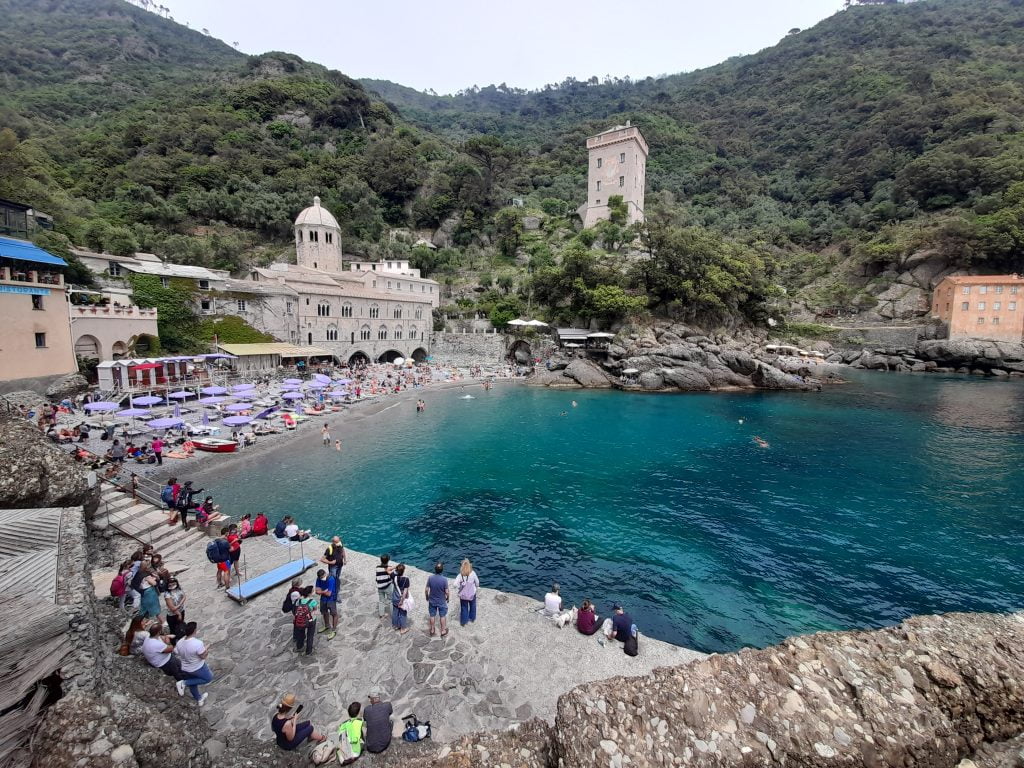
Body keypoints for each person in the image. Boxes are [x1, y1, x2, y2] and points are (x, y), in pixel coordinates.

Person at [175, 622, 213, 706]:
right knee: (208, 678)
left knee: (193, 683)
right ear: (194, 631)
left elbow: (178, 651)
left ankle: (199, 699)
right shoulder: (197, 643)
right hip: (197, 667)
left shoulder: (179, 642)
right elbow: (203, 656)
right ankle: (183, 683)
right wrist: (207, 649)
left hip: (185, 667)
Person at [363, 688, 393, 755]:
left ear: (373, 699)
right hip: (386, 743)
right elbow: (390, 712)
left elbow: (365, 719)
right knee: (390, 721)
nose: (369, 700)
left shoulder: (367, 709)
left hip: (371, 746)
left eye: (370, 698)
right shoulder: (387, 705)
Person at [424, 562, 449, 638]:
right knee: (442, 616)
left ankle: (432, 630)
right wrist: (448, 598)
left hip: (432, 600)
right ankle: (443, 631)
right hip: (441, 601)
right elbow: (447, 591)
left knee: (432, 615)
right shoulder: (444, 579)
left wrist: (427, 597)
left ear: (435, 570)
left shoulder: (430, 578)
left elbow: (426, 589)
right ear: (442, 570)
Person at [453, 559, 480, 626]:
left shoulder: (460, 575)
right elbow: (477, 583)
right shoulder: (473, 573)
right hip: (472, 594)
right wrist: (476, 587)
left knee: (464, 607)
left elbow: (454, 584)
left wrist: (460, 587)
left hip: (463, 595)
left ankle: (463, 622)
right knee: (473, 606)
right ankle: (472, 618)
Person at [292, 585, 318, 655]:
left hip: (301, 619)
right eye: (313, 591)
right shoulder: (313, 601)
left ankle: (299, 647)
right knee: (310, 635)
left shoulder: (299, 601)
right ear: (310, 593)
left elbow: (296, 609)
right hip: (311, 620)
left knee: (300, 634)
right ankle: (308, 651)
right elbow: (315, 610)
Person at [314, 568, 339, 640]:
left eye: (322, 577)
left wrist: (321, 592)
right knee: (324, 612)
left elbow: (329, 594)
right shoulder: (318, 579)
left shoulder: (331, 579)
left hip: (331, 599)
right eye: (320, 578)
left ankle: (334, 630)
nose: (322, 579)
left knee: (334, 614)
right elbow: (316, 591)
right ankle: (327, 625)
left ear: (325, 574)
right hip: (323, 599)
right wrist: (323, 592)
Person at [163, 577, 187, 641]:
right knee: (173, 630)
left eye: (173, 584)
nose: (172, 586)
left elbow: (184, 596)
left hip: (181, 610)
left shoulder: (179, 588)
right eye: (170, 585)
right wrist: (179, 614)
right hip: (172, 615)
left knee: (181, 627)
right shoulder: (167, 594)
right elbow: (172, 608)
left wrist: (179, 605)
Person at [390, 564, 410, 635]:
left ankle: (395, 626)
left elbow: (390, 571)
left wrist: (396, 567)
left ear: (397, 570)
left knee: (395, 612)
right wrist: (401, 601)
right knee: (403, 613)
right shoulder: (406, 579)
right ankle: (403, 629)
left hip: (395, 597)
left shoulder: (393, 576)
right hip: (401, 599)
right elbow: (404, 593)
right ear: (403, 571)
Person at [375, 554, 393, 620]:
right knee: (391, 600)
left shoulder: (377, 568)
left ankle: (381, 615)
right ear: (388, 561)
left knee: (381, 601)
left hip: (379, 587)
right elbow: (391, 576)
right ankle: (393, 614)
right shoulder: (389, 568)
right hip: (387, 586)